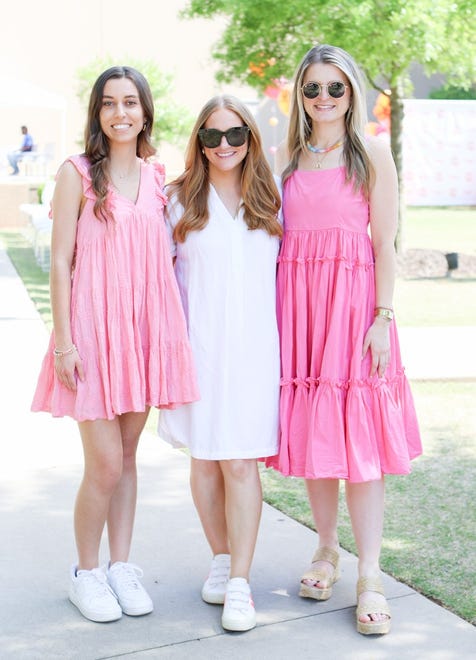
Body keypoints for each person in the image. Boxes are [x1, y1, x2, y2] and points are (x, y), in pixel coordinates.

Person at [31, 66, 199, 623]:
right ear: (97, 113)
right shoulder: (76, 173)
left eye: (130, 102)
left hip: (143, 333)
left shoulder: (157, 177)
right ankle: (86, 573)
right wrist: (63, 341)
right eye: (109, 103)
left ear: (145, 111)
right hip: (92, 334)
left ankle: (122, 567)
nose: (120, 113)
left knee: (128, 459)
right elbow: (59, 261)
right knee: (103, 464)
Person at [266, 44, 422, 635]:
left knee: (360, 444)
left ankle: (371, 573)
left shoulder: (372, 155)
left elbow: (385, 244)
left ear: (352, 92)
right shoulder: (288, 156)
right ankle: (326, 549)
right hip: (300, 311)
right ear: (299, 96)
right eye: (313, 88)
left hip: (354, 311)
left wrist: (383, 316)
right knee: (317, 431)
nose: (324, 98)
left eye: (336, 87)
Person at [158, 95, 282, 632]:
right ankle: (219, 557)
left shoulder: (272, 201)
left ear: (250, 139)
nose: (224, 146)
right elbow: (157, 280)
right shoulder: (178, 201)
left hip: (256, 354)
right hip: (198, 350)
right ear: (199, 141)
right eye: (212, 136)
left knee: (239, 463)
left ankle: (240, 582)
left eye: (235, 135)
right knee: (205, 459)